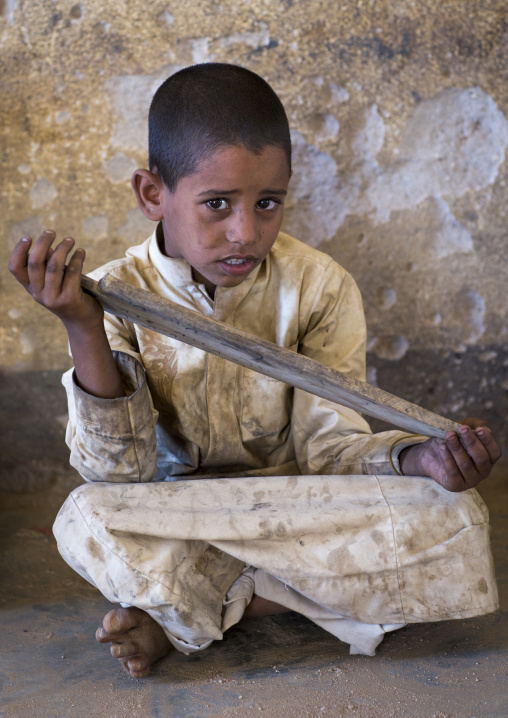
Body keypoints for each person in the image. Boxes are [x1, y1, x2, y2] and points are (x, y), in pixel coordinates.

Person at [9, 63, 501, 679]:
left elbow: (330, 449)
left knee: (453, 514)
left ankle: (190, 613)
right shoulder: (116, 294)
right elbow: (119, 473)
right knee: (87, 518)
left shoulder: (319, 287)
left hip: (299, 505)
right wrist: (80, 325)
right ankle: (266, 600)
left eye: (268, 202)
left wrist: (419, 460)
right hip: (178, 515)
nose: (247, 232)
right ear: (152, 194)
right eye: (217, 204)